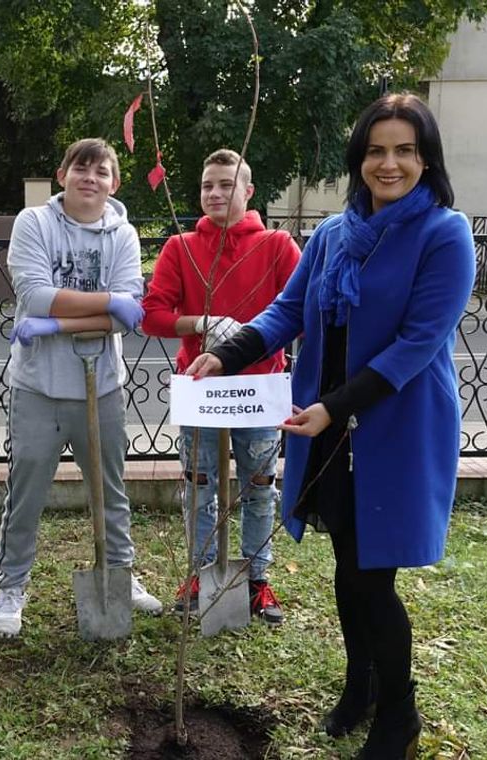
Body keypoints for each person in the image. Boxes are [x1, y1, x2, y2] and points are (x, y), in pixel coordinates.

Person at [186, 92, 475, 759]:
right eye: (377, 150)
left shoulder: (444, 233)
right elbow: (286, 311)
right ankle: (359, 687)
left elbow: (417, 342)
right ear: (359, 158)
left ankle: (398, 716)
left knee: (375, 578)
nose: (390, 163)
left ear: (426, 159)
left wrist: (335, 407)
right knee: (349, 564)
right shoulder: (336, 235)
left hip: (395, 425)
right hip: (331, 430)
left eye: (405, 150)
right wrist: (224, 354)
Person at [0, 137, 163, 638]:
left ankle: (119, 573)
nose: (91, 178)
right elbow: (36, 295)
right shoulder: (35, 224)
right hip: (39, 387)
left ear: (114, 183)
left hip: (102, 385)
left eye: (102, 171)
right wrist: (107, 303)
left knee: (110, 489)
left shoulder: (123, 235)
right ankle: (12, 584)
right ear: (63, 173)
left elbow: (128, 317)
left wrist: (61, 321)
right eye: (81, 168)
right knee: (26, 490)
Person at [141, 148, 300, 624]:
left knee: (259, 486)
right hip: (200, 391)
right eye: (208, 185)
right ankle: (200, 571)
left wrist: (255, 338)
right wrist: (200, 321)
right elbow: (153, 315)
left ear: (247, 192)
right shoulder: (180, 248)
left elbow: (299, 312)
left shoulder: (276, 245)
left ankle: (256, 579)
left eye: (226, 185)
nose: (214, 193)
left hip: (259, 391)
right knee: (199, 485)